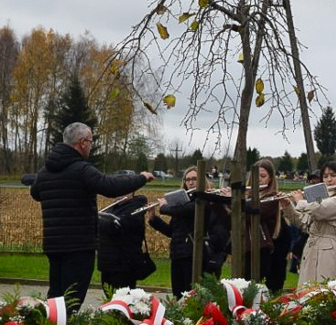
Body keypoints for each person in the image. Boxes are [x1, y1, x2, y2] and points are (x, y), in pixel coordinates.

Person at [30, 122, 154, 311]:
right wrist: (142, 178)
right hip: (79, 244)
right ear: (81, 143)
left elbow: (35, 193)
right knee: (72, 299)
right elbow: (111, 187)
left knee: (55, 296)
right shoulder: (82, 169)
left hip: (54, 244)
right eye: (90, 141)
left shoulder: (45, 171)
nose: (91, 145)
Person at [149, 166, 231, 297]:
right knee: (178, 294)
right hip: (177, 254)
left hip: (194, 254)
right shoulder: (182, 202)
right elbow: (172, 231)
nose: (191, 182)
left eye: (194, 179)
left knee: (191, 294)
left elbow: (187, 210)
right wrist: (154, 219)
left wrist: (165, 207)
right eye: (187, 180)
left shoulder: (203, 200)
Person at [282, 161, 336, 287]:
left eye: (333, 175)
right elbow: (303, 223)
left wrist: (300, 200)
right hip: (311, 247)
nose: (329, 180)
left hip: (329, 250)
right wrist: (288, 206)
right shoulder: (319, 199)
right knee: (305, 292)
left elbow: (319, 210)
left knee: (324, 291)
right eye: (325, 176)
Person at [97, 192, 148, 293]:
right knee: (109, 296)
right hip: (108, 262)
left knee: (122, 297)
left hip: (123, 264)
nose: (120, 194)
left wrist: (101, 222)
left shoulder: (135, 208)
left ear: (132, 193)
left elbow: (117, 227)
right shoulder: (113, 207)